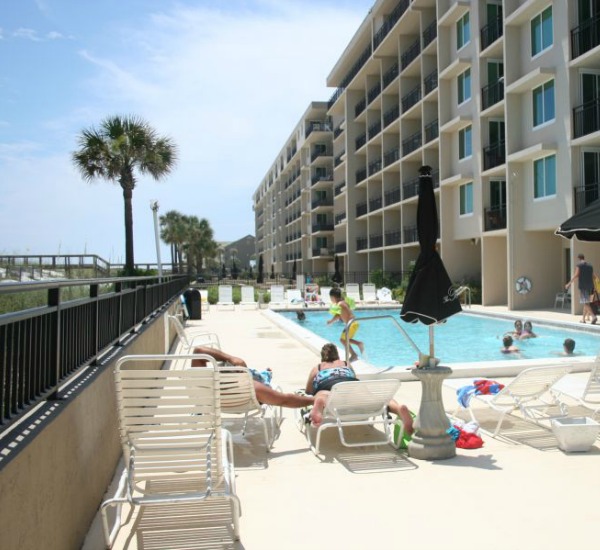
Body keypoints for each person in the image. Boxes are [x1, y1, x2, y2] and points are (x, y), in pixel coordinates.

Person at [304, 343, 414, 433]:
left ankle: (320, 402)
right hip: (350, 384)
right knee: (380, 398)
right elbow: (354, 377)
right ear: (337, 354)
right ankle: (398, 408)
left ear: (323, 356)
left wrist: (315, 392)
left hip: (328, 384)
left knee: (322, 395)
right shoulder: (346, 364)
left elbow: (308, 390)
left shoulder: (318, 367)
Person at [192, 345, 314, 408]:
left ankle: (265, 373)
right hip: (251, 389)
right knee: (263, 377)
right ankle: (266, 374)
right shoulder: (252, 388)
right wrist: (314, 400)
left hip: (218, 401)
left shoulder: (205, 387)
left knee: (261, 375)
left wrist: (229, 358)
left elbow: (198, 351)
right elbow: (284, 399)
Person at [328, 287, 364, 360]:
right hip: (353, 323)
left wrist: (331, 321)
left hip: (351, 324)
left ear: (333, 297)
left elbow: (338, 315)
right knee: (344, 339)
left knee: (343, 340)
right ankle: (357, 346)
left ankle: (355, 352)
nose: (331, 300)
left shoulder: (339, 304)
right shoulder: (344, 302)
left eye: (331, 298)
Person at [566, 253, 597, 324]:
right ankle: (583, 319)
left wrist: (569, 284)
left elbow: (576, 275)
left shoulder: (579, 265)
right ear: (584, 258)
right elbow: (594, 277)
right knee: (586, 303)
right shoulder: (590, 266)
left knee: (585, 303)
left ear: (579, 259)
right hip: (591, 287)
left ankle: (593, 316)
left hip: (584, 287)